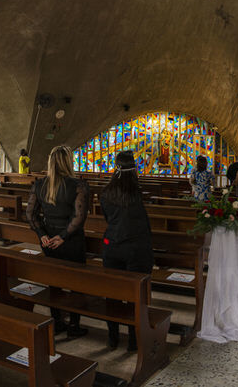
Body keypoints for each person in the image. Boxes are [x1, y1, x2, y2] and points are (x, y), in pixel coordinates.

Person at [26, 145, 88, 337]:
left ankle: (57, 321)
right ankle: (74, 325)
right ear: (68, 161)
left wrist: (42, 234)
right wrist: (63, 236)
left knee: (54, 281)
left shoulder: (39, 184)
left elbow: (30, 214)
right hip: (70, 240)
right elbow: (79, 217)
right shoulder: (78, 185)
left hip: (48, 241)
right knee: (76, 284)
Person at [99, 150, 152, 350]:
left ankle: (112, 337)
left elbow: (108, 218)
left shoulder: (106, 192)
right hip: (135, 249)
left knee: (112, 292)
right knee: (135, 295)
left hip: (112, 245)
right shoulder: (135, 192)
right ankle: (133, 339)